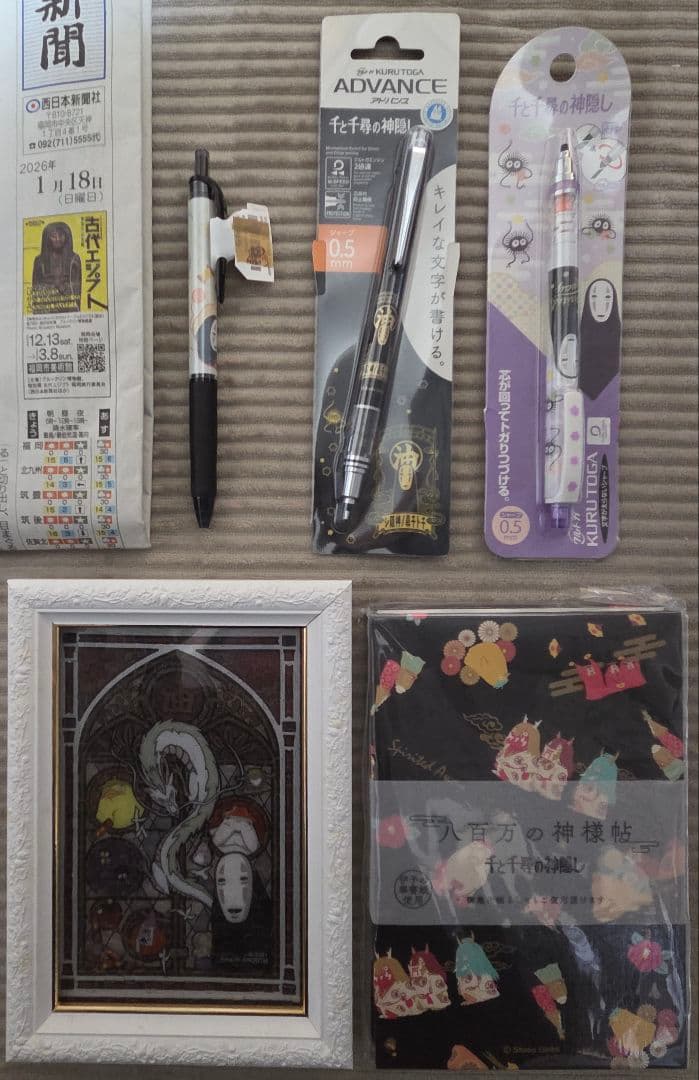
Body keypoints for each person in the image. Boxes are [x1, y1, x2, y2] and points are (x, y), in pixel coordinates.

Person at [31, 221, 82, 313]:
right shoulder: (39, 261)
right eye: (54, 236)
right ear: (47, 238)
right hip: (47, 307)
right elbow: (36, 289)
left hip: (68, 307)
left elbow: (76, 289)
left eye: (61, 236)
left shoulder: (74, 259)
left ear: (66, 237)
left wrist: (63, 287)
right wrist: (53, 287)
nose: (58, 239)